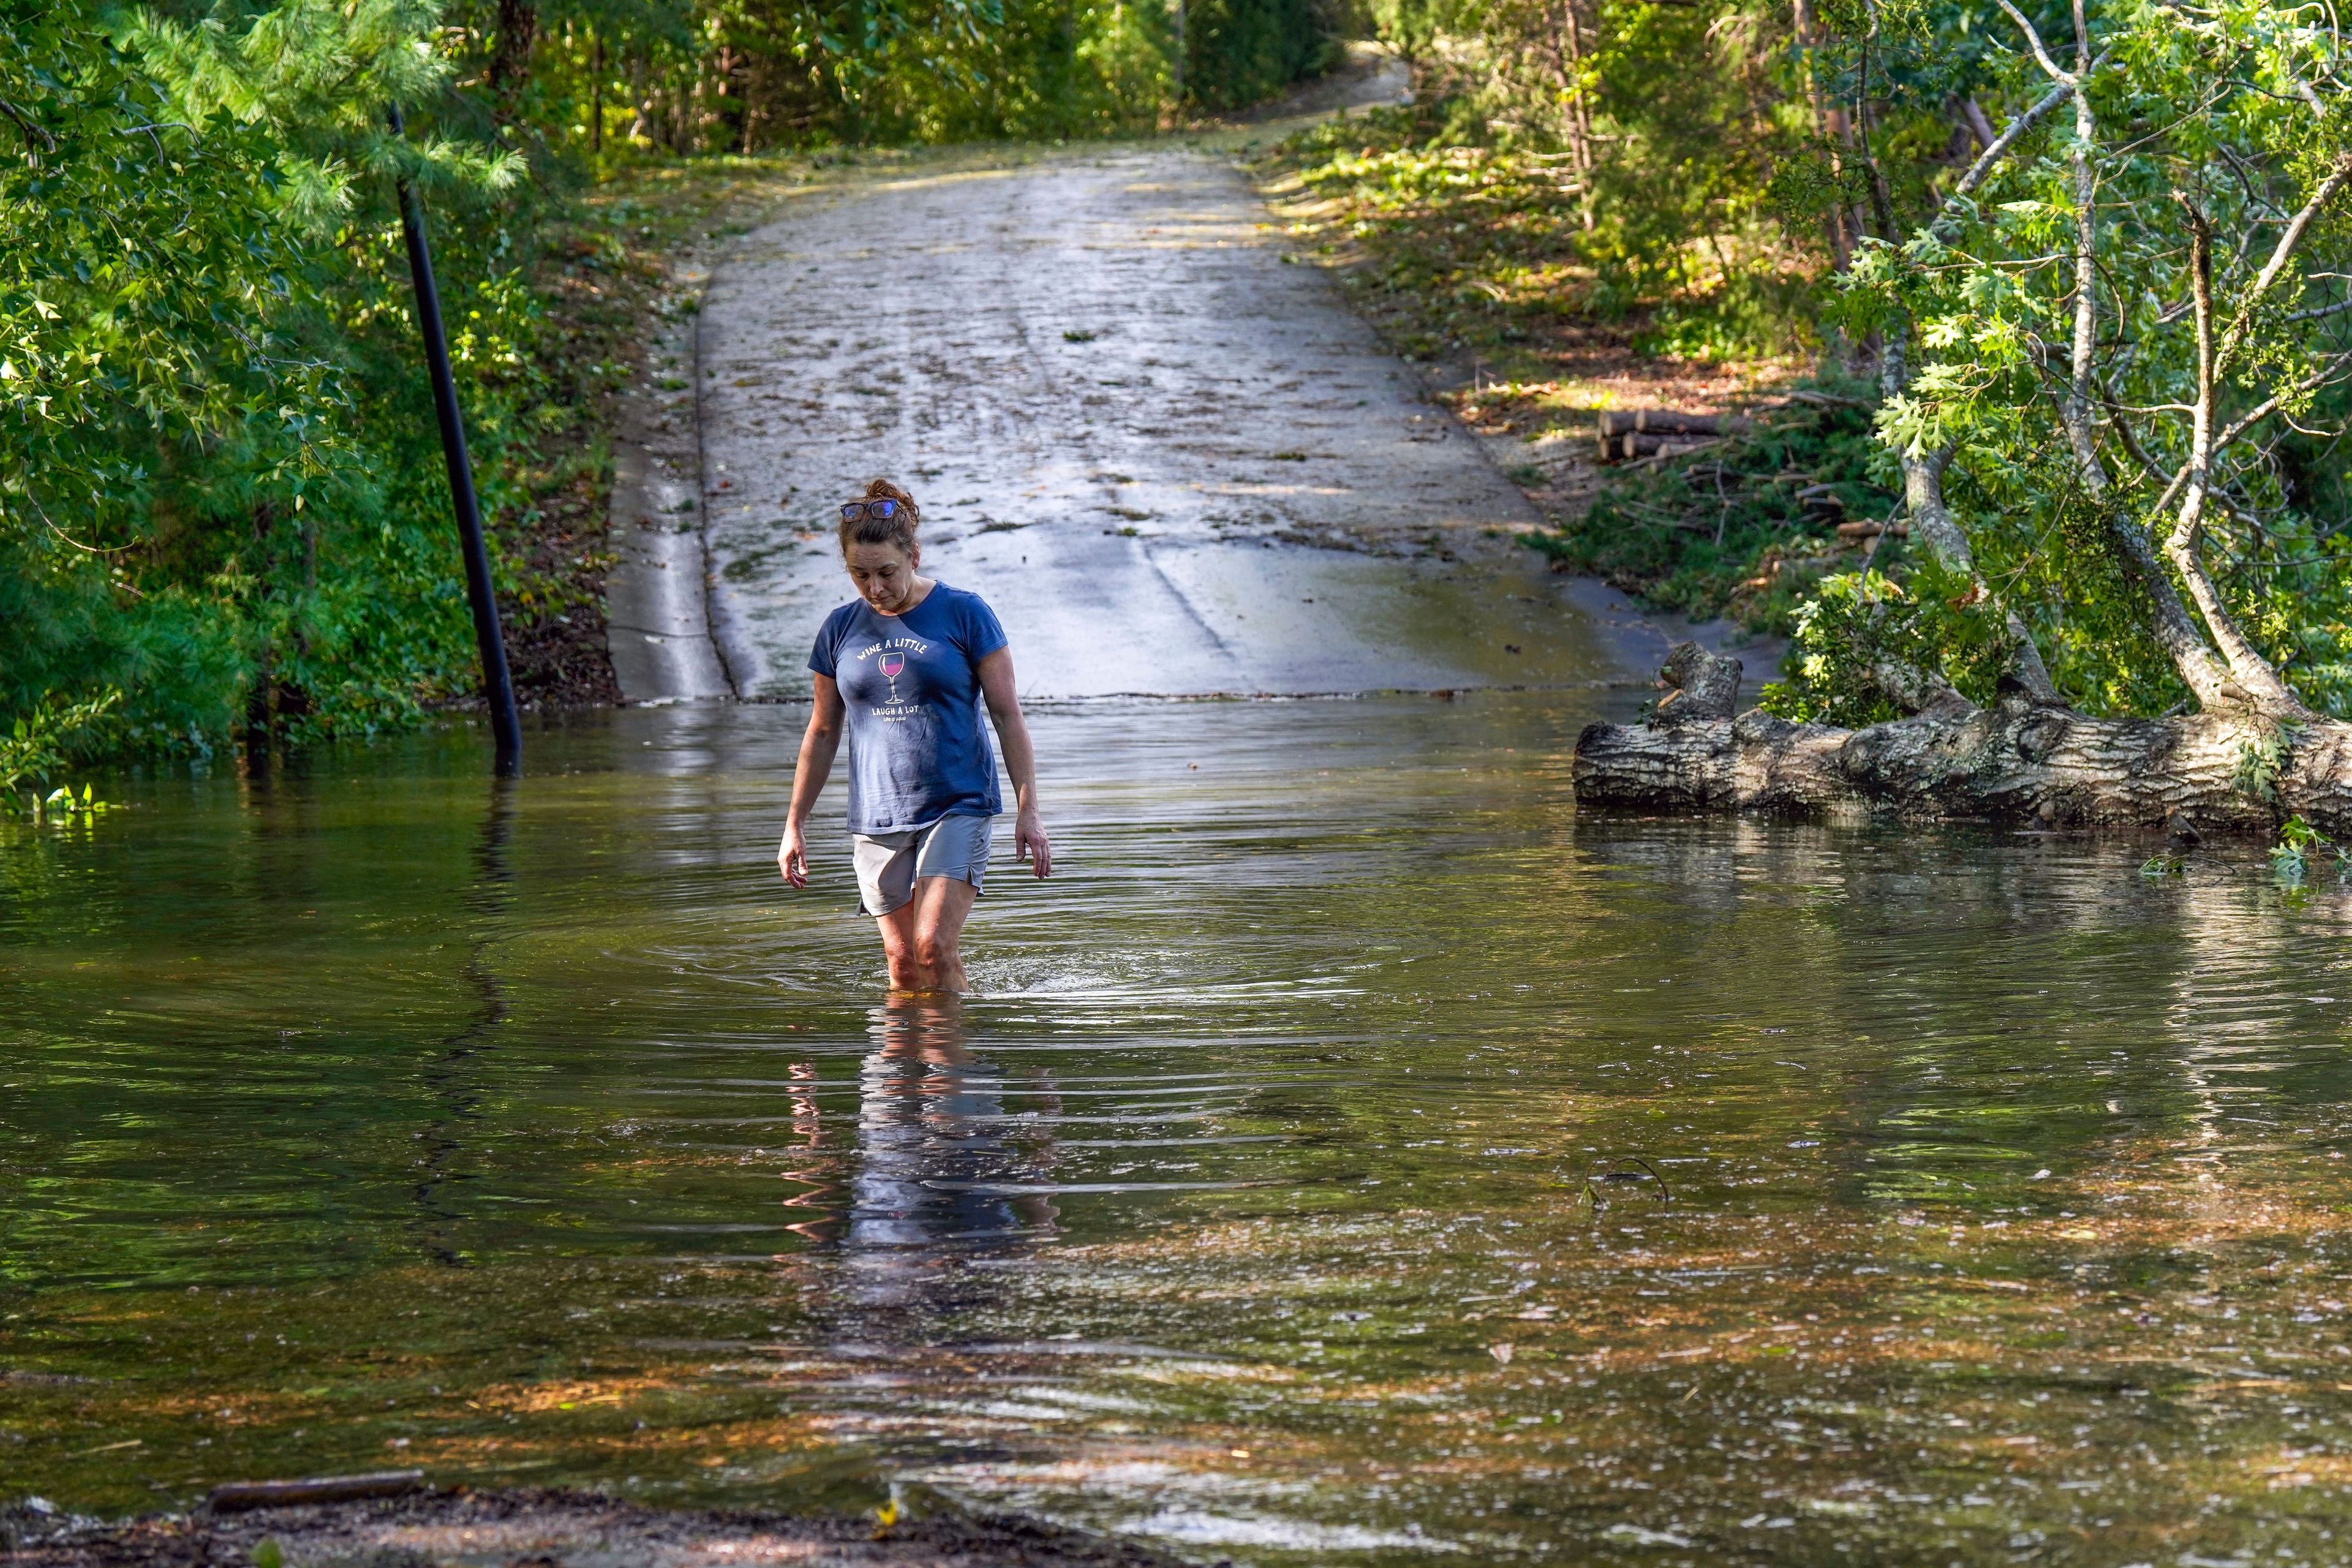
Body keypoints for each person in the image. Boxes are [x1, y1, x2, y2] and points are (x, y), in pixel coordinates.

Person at [778, 478, 1050, 992]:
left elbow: (1008, 715)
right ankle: (902, 1070)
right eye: (860, 575)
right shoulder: (839, 628)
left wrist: (1028, 809)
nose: (875, 588)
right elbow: (822, 730)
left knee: (932, 946)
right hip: (876, 813)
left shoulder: (965, 612)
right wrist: (795, 824)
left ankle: (954, 1070)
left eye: (886, 572)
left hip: (958, 803)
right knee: (903, 964)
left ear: (914, 556)